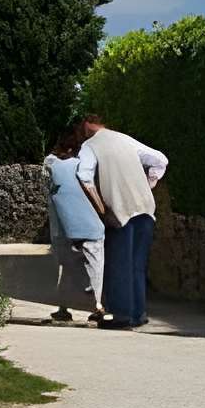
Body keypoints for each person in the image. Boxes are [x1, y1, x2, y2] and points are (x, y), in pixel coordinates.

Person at [76, 115, 170, 331]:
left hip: (120, 210)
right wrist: (149, 184)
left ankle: (121, 315)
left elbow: (84, 177)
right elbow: (160, 160)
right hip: (146, 207)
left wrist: (101, 209)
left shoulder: (90, 146)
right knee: (137, 265)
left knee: (119, 264)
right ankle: (138, 313)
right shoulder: (125, 139)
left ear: (85, 127)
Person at [44, 127, 105, 324]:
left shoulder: (49, 163)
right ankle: (96, 306)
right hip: (91, 224)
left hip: (63, 227)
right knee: (95, 266)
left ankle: (64, 308)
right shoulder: (85, 164)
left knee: (66, 267)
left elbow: (50, 193)